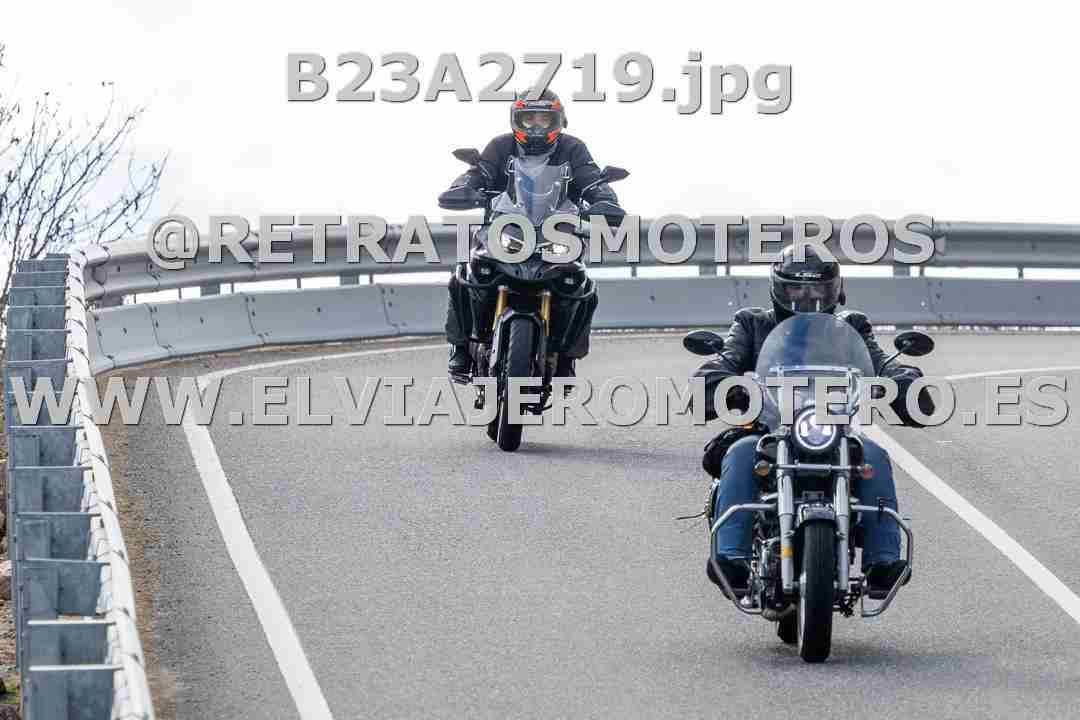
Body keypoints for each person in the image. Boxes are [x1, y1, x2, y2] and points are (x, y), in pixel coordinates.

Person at [694, 245, 934, 598]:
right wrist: (720, 380)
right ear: (779, 289)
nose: (807, 297)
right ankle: (731, 559)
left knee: (874, 456)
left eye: (817, 288)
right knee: (741, 452)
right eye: (796, 287)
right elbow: (726, 359)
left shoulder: (851, 326)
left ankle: (883, 561)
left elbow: (882, 362)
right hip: (770, 429)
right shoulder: (752, 323)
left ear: (835, 289)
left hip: (832, 431)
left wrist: (902, 380)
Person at [437, 89, 624, 379]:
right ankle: (460, 348)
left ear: (558, 121)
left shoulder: (573, 148)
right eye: (529, 119)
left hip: (557, 233)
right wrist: (464, 188)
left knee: (582, 286)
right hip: (505, 228)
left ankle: (566, 358)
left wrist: (605, 200)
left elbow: (592, 179)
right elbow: (479, 172)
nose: (536, 126)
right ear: (516, 120)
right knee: (465, 275)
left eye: (544, 119)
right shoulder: (500, 146)